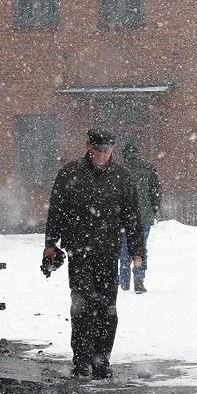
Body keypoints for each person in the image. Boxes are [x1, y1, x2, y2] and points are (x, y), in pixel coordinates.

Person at [42, 127, 144, 380]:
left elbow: (132, 216)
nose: (100, 156)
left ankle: (102, 360)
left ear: (112, 151)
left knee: (107, 308)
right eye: (96, 151)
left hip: (108, 252)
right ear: (88, 146)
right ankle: (82, 360)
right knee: (81, 306)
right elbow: (57, 209)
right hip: (79, 251)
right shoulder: (70, 173)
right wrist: (50, 243)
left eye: (105, 152)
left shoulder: (122, 177)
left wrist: (136, 251)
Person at [118, 142, 162, 294]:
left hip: (124, 217)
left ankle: (124, 280)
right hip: (144, 216)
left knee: (124, 248)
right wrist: (152, 210)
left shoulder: (119, 170)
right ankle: (139, 277)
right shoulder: (149, 168)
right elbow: (156, 192)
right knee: (140, 247)